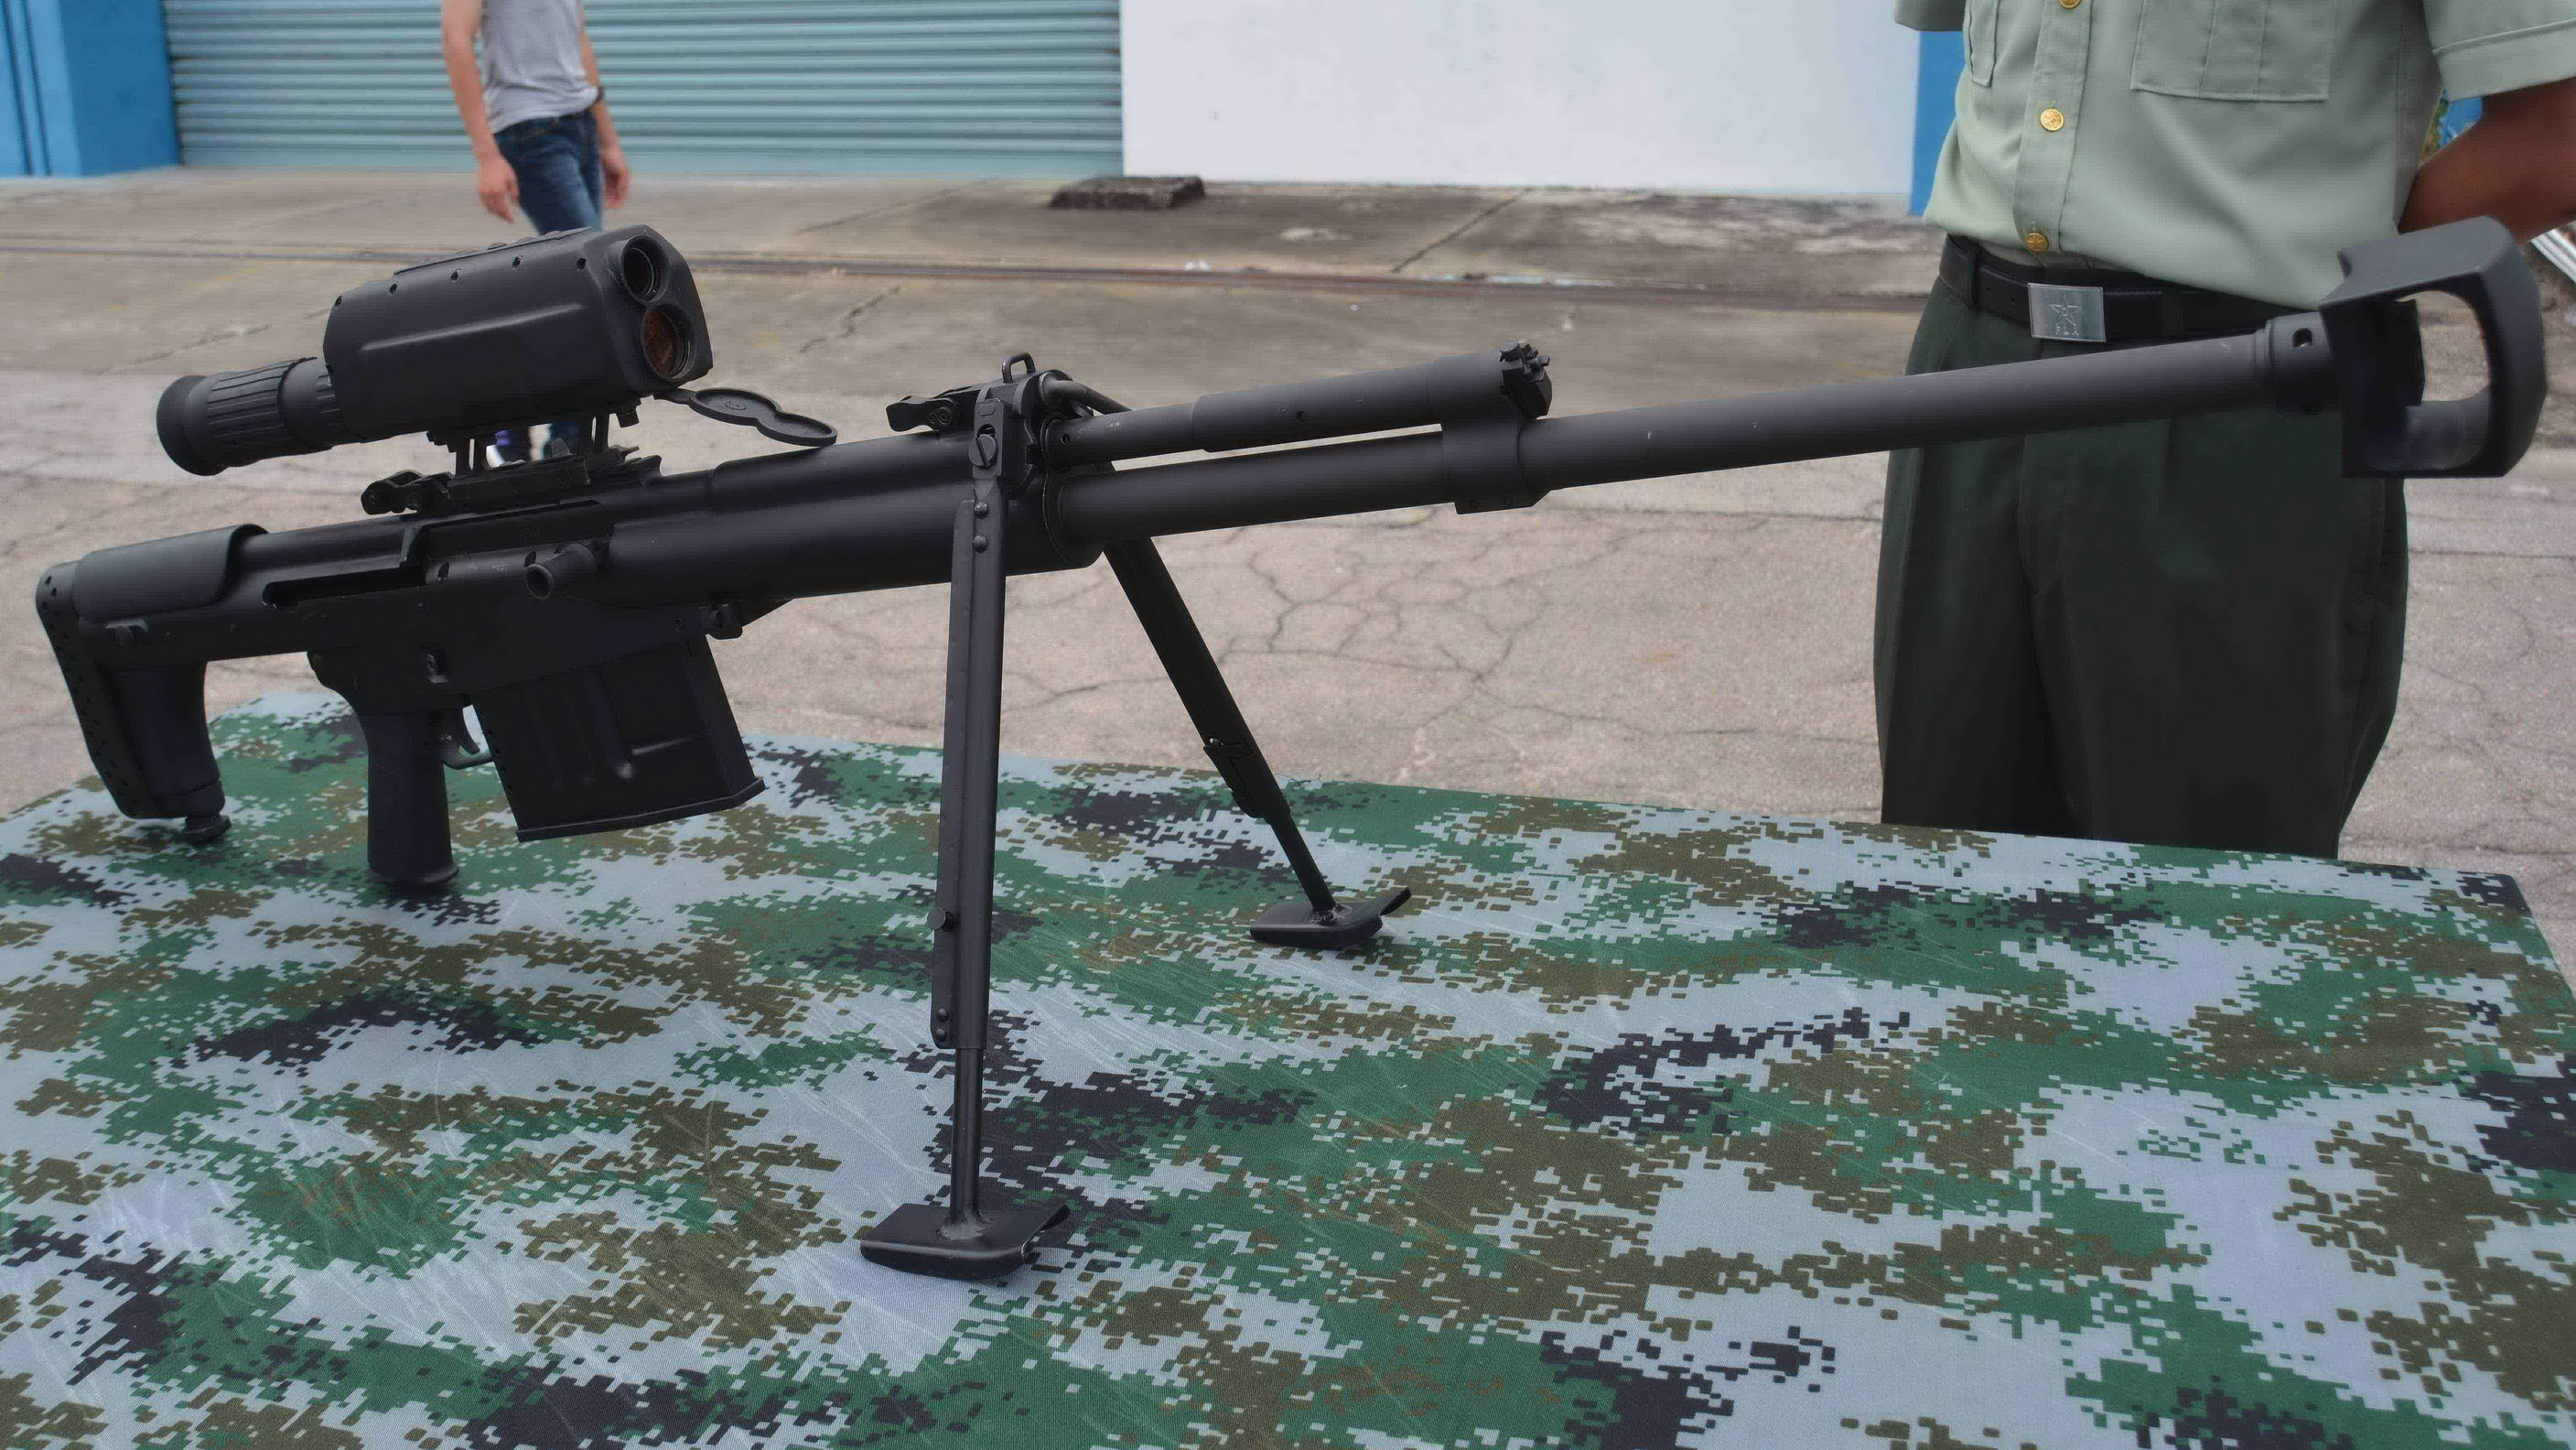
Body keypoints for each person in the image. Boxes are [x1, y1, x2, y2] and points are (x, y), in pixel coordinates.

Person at [1880, 1, 2576, 858]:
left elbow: (2552, 143)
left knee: (2202, 885)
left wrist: (2323, 272)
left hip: (2235, 393)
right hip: (1970, 362)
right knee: (1945, 864)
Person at [440, 0, 631, 460]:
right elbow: (456, 43)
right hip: (529, 131)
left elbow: (577, 41)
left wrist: (607, 140)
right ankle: (551, 440)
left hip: (580, 123)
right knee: (590, 288)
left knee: (573, 291)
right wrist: (487, 156)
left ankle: (534, 432)